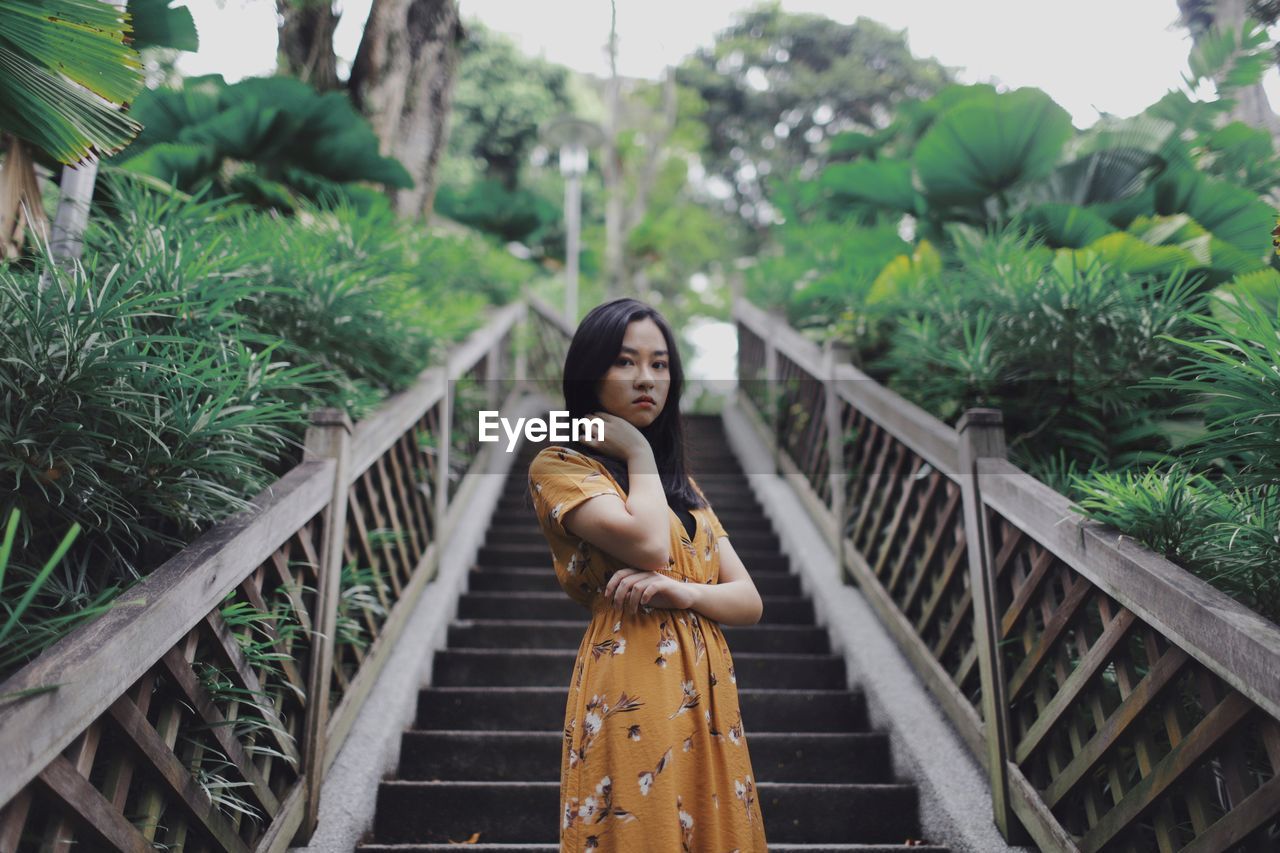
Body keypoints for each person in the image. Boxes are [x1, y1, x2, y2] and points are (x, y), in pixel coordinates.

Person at [526, 297, 769, 851]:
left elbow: (749, 602)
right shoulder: (559, 468)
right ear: (590, 372)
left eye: (660, 364)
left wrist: (681, 592)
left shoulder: (683, 491)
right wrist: (636, 449)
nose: (647, 379)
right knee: (644, 829)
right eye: (625, 362)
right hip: (633, 677)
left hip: (706, 683)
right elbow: (651, 546)